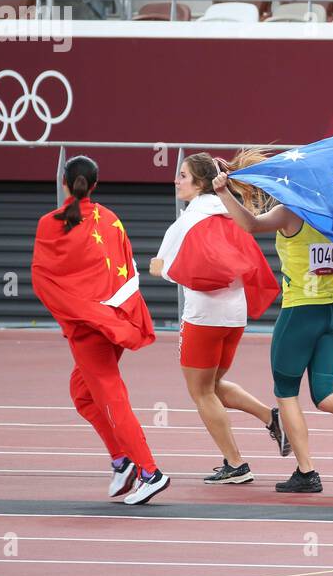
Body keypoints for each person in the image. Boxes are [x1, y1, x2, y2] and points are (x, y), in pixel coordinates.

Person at [211, 150, 333, 494]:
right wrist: (239, 175)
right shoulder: (332, 214)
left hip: (301, 312)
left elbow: (251, 225)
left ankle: (306, 472)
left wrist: (225, 192)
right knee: (324, 394)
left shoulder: (289, 213)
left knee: (285, 394)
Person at [31, 155, 169, 506]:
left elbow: (43, 277)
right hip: (115, 320)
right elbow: (125, 268)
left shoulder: (50, 224)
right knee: (82, 393)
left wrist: (77, 311)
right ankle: (122, 461)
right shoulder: (111, 220)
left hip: (88, 327)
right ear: (94, 185)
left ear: (65, 182)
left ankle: (150, 471)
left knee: (111, 397)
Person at [150, 152, 290, 485]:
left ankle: (236, 463)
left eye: (182, 176)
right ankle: (271, 417)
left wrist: (157, 268)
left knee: (200, 393)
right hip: (235, 315)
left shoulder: (187, 220)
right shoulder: (231, 211)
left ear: (199, 183)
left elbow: (164, 267)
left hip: (203, 315)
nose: (176, 181)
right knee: (212, 385)